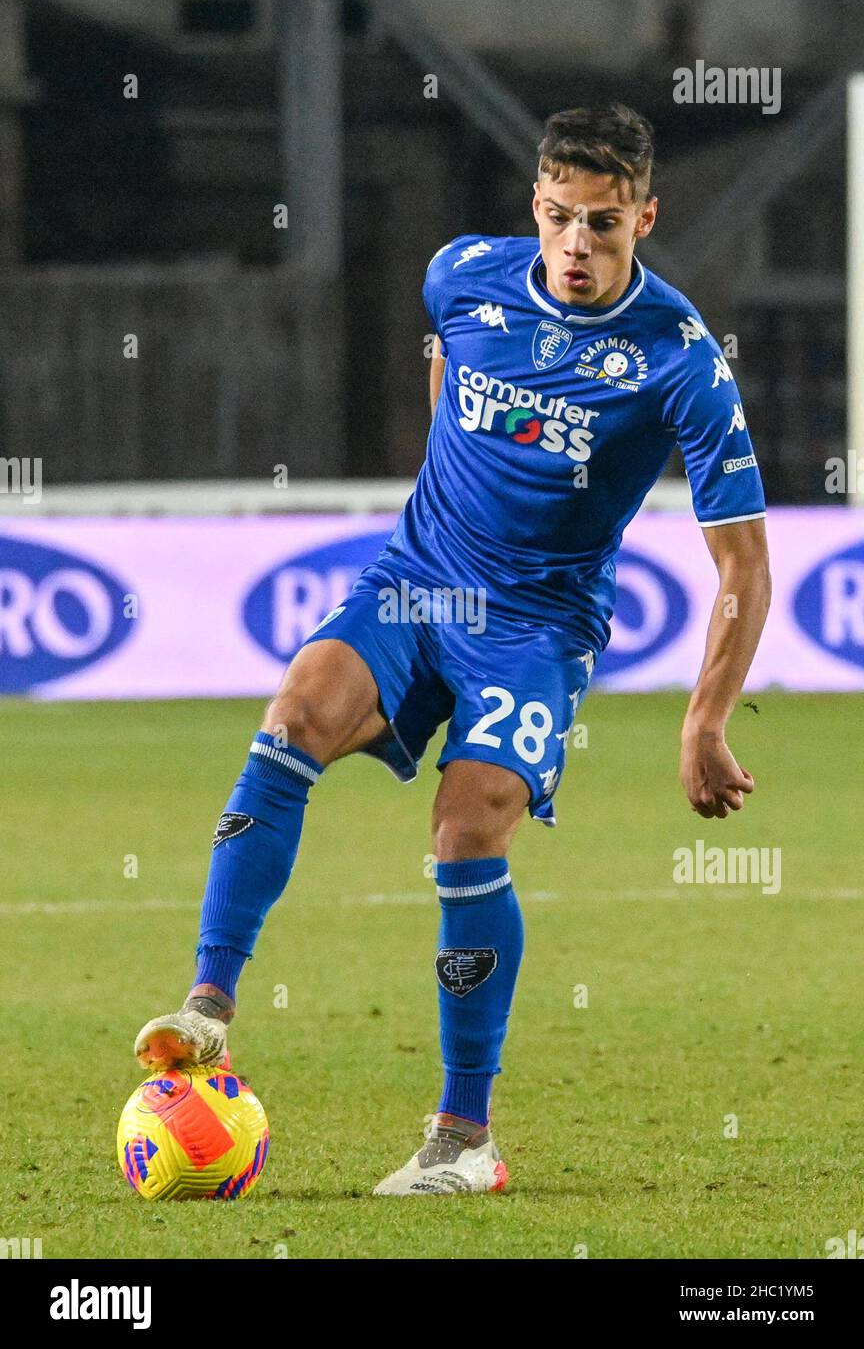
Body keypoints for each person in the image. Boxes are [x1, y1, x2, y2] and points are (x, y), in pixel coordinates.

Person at [134, 104, 771, 1196]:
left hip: (537, 626)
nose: (578, 244)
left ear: (646, 220)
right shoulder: (463, 275)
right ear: (535, 206)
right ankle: (208, 1005)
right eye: (562, 218)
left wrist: (704, 717)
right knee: (294, 713)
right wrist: (441, 500)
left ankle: (463, 1135)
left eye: (605, 226)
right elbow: (448, 381)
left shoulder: (681, 362)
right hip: (417, 581)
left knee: (467, 826)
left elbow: (744, 567)